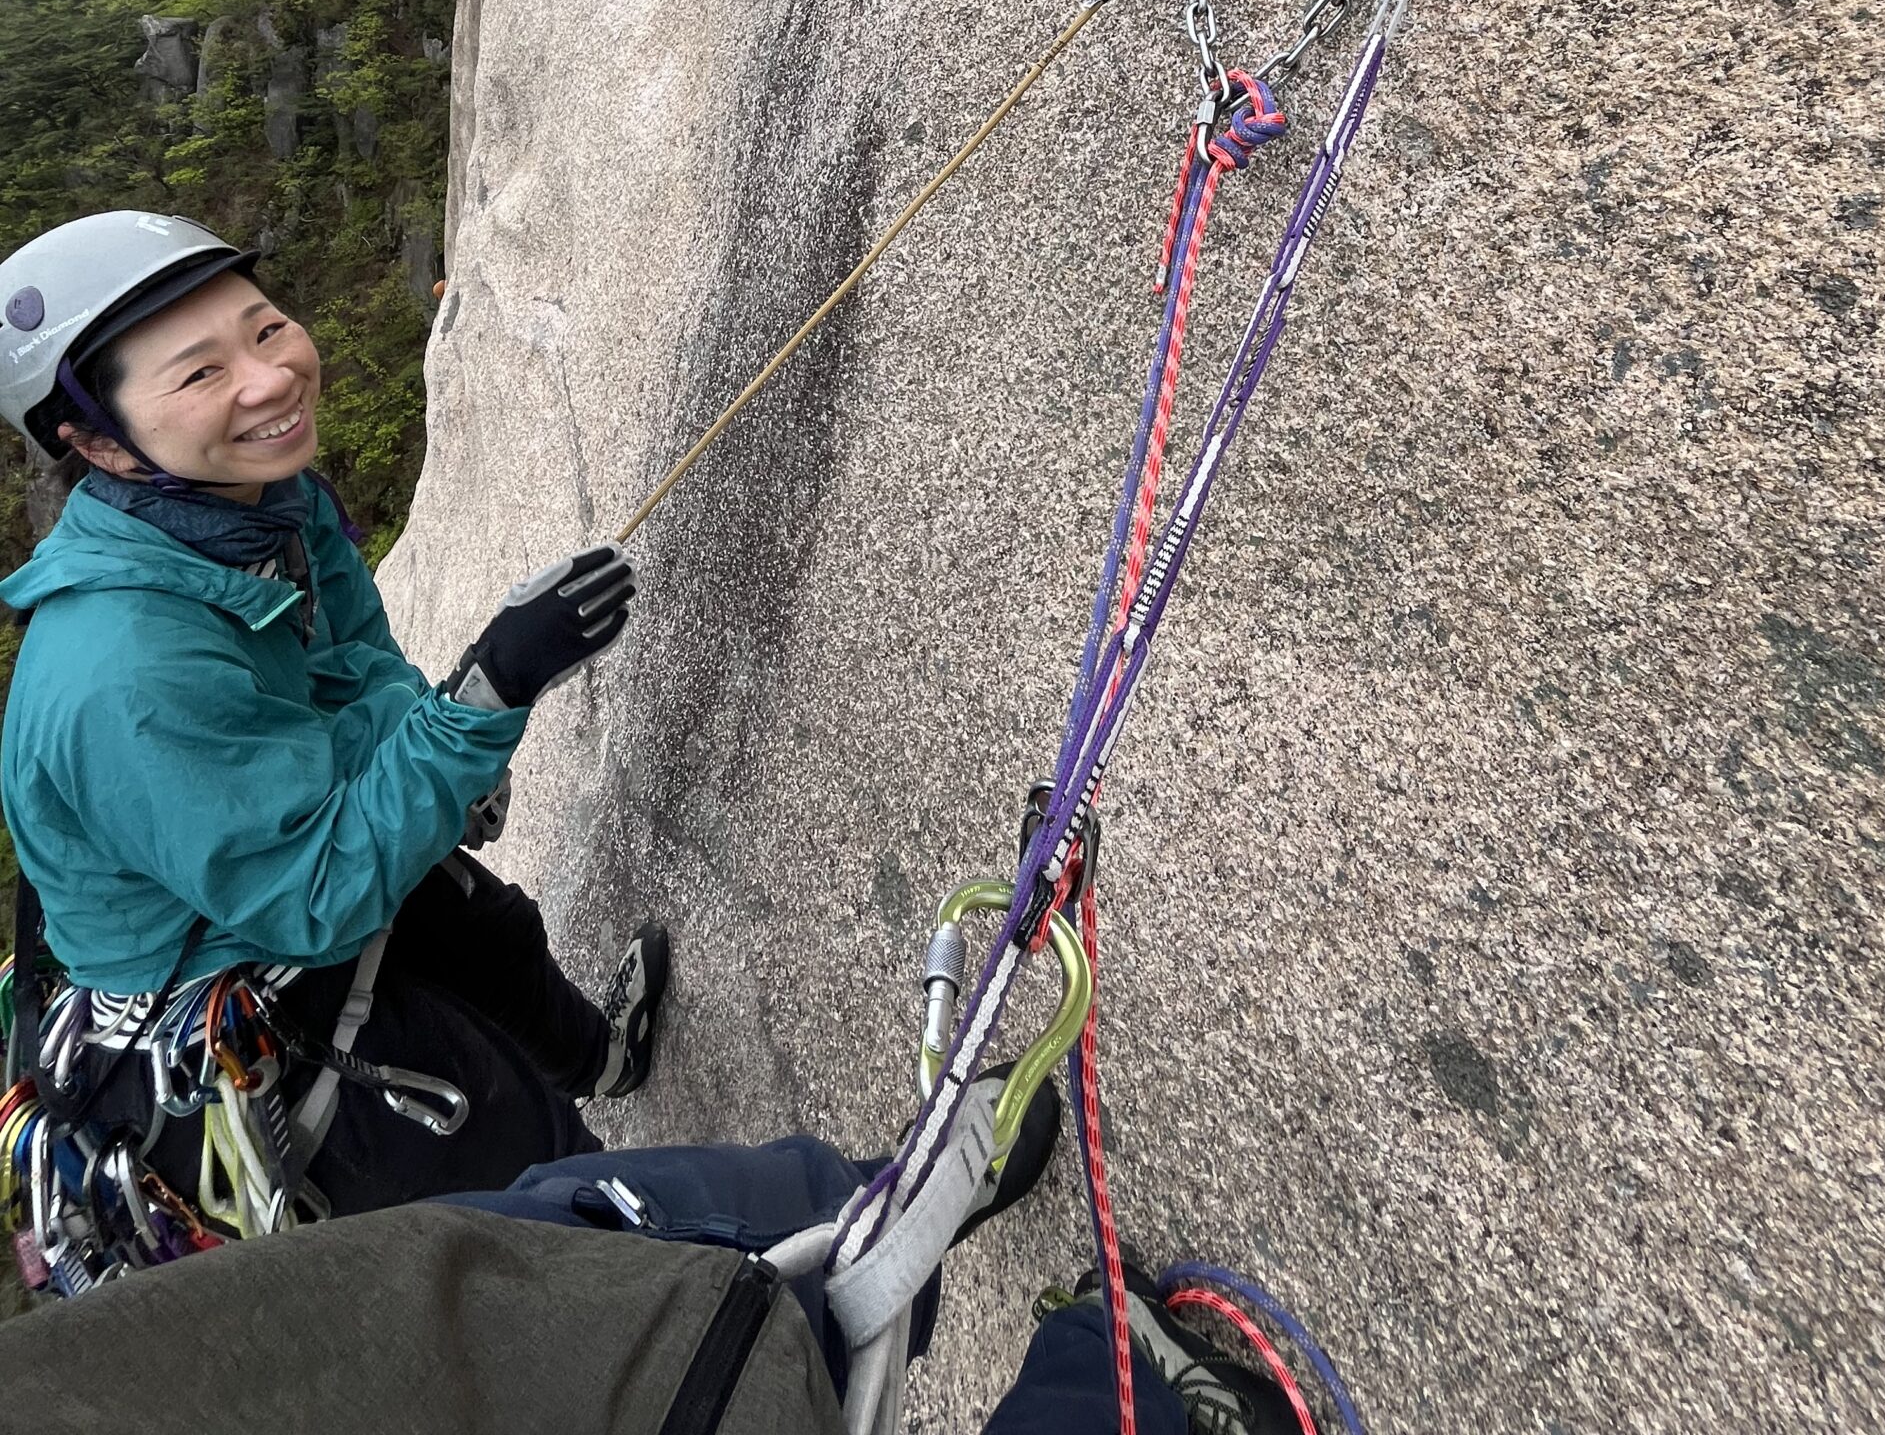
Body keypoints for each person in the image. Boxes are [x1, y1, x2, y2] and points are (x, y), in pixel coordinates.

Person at [0, 209, 670, 1217]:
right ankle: (629, 1226)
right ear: (98, 441)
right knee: (522, 1168)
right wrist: (487, 695)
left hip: (296, 835)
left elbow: (355, 659)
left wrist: (442, 751)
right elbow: (312, 897)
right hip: (238, 983)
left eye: (265, 329)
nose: (270, 378)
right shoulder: (124, 673)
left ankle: (605, 1061)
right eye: (200, 372)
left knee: (490, 937)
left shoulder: (260, 503)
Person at [0, 1115, 1299, 1435]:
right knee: (767, 1274)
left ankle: (922, 1199)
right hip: (600, 1352)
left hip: (511, 1309)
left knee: (792, 1230)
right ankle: (1122, 1371)